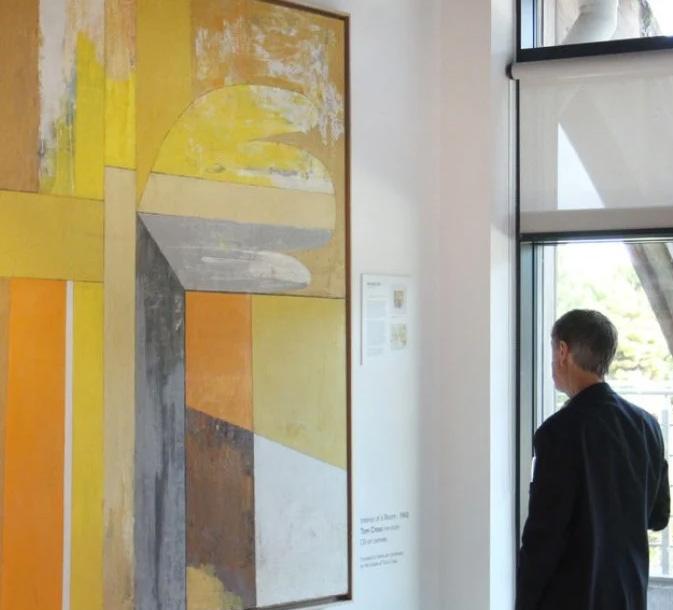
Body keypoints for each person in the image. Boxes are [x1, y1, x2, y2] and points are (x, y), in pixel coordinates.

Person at [516, 309, 671, 610]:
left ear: (563, 352)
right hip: (629, 595)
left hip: (571, 599)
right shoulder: (647, 425)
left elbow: (544, 537)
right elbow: (658, 517)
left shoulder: (557, 432)